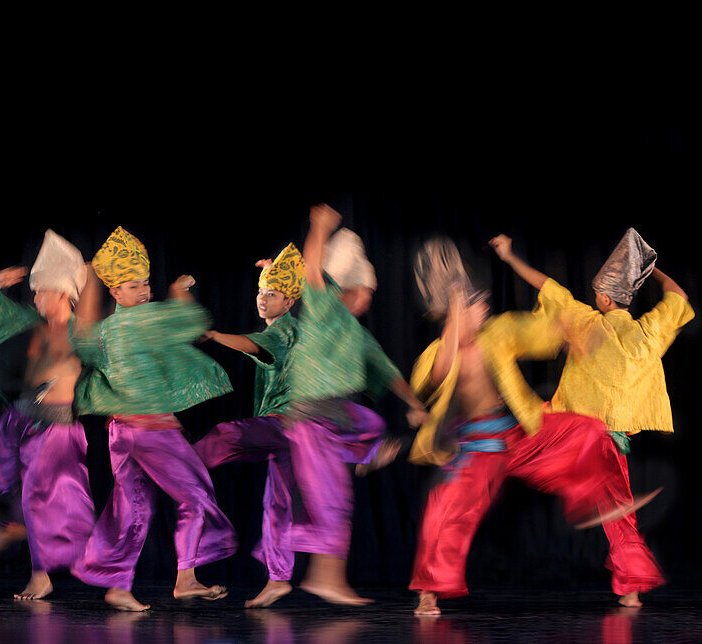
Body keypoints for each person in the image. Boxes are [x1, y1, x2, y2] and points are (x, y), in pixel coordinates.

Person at [408, 236, 651, 615]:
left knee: (586, 432)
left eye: (485, 303)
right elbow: (433, 379)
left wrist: (567, 335)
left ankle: (602, 526)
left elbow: (535, 330)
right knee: (444, 513)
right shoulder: (439, 353)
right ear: (457, 314)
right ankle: (429, 591)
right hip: (475, 450)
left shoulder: (498, 332)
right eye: (477, 306)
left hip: (516, 434)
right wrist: (455, 317)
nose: (485, 308)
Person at [490, 229, 693, 606]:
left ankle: (556, 483)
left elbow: (547, 286)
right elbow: (679, 297)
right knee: (618, 513)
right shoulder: (648, 334)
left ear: (603, 296)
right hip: (609, 440)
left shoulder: (585, 320)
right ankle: (630, 589)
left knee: (507, 446)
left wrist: (509, 258)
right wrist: (654, 271)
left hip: (568, 433)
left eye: (596, 293)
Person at [69, 226, 237, 611]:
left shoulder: (105, 332)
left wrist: (89, 282)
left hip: (121, 433)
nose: (144, 292)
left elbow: (82, 342)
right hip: (150, 430)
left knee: (131, 507)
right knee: (196, 495)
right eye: (132, 286)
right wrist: (179, 292)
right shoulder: (144, 321)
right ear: (115, 292)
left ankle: (117, 585)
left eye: (145, 284)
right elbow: (192, 320)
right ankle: (187, 579)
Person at [282, 205, 425, 605]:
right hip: (312, 416)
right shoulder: (323, 306)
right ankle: (326, 580)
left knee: (371, 431)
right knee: (331, 501)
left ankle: (367, 452)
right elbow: (311, 271)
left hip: (338, 416)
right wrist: (319, 228)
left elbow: (386, 369)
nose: (367, 300)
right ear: (347, 287)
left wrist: (415, 404)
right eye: (365, 292)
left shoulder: (355, 332)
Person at [0, 230, 95, 601]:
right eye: (34, 291)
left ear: (63, 294)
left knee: (38, 497)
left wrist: (91, 274)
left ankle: (40, 574)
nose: (35, 298)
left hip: (55, 426)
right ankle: (16, 527)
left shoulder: (79, 332)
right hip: (17, 418)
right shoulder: (27, 324)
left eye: (41, 291)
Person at [195, 244, 301, 608]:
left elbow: (253, 345)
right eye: (259, 292)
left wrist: (215, 336)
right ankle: (278, 579)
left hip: (285, 425)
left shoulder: (283, 333)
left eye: (270, 294)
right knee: (277, 506)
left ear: (288, 303)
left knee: (229, 434)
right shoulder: (288, 327)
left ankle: (183, 462)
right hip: (294, 435)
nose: (261, 299)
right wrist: (272, 271)